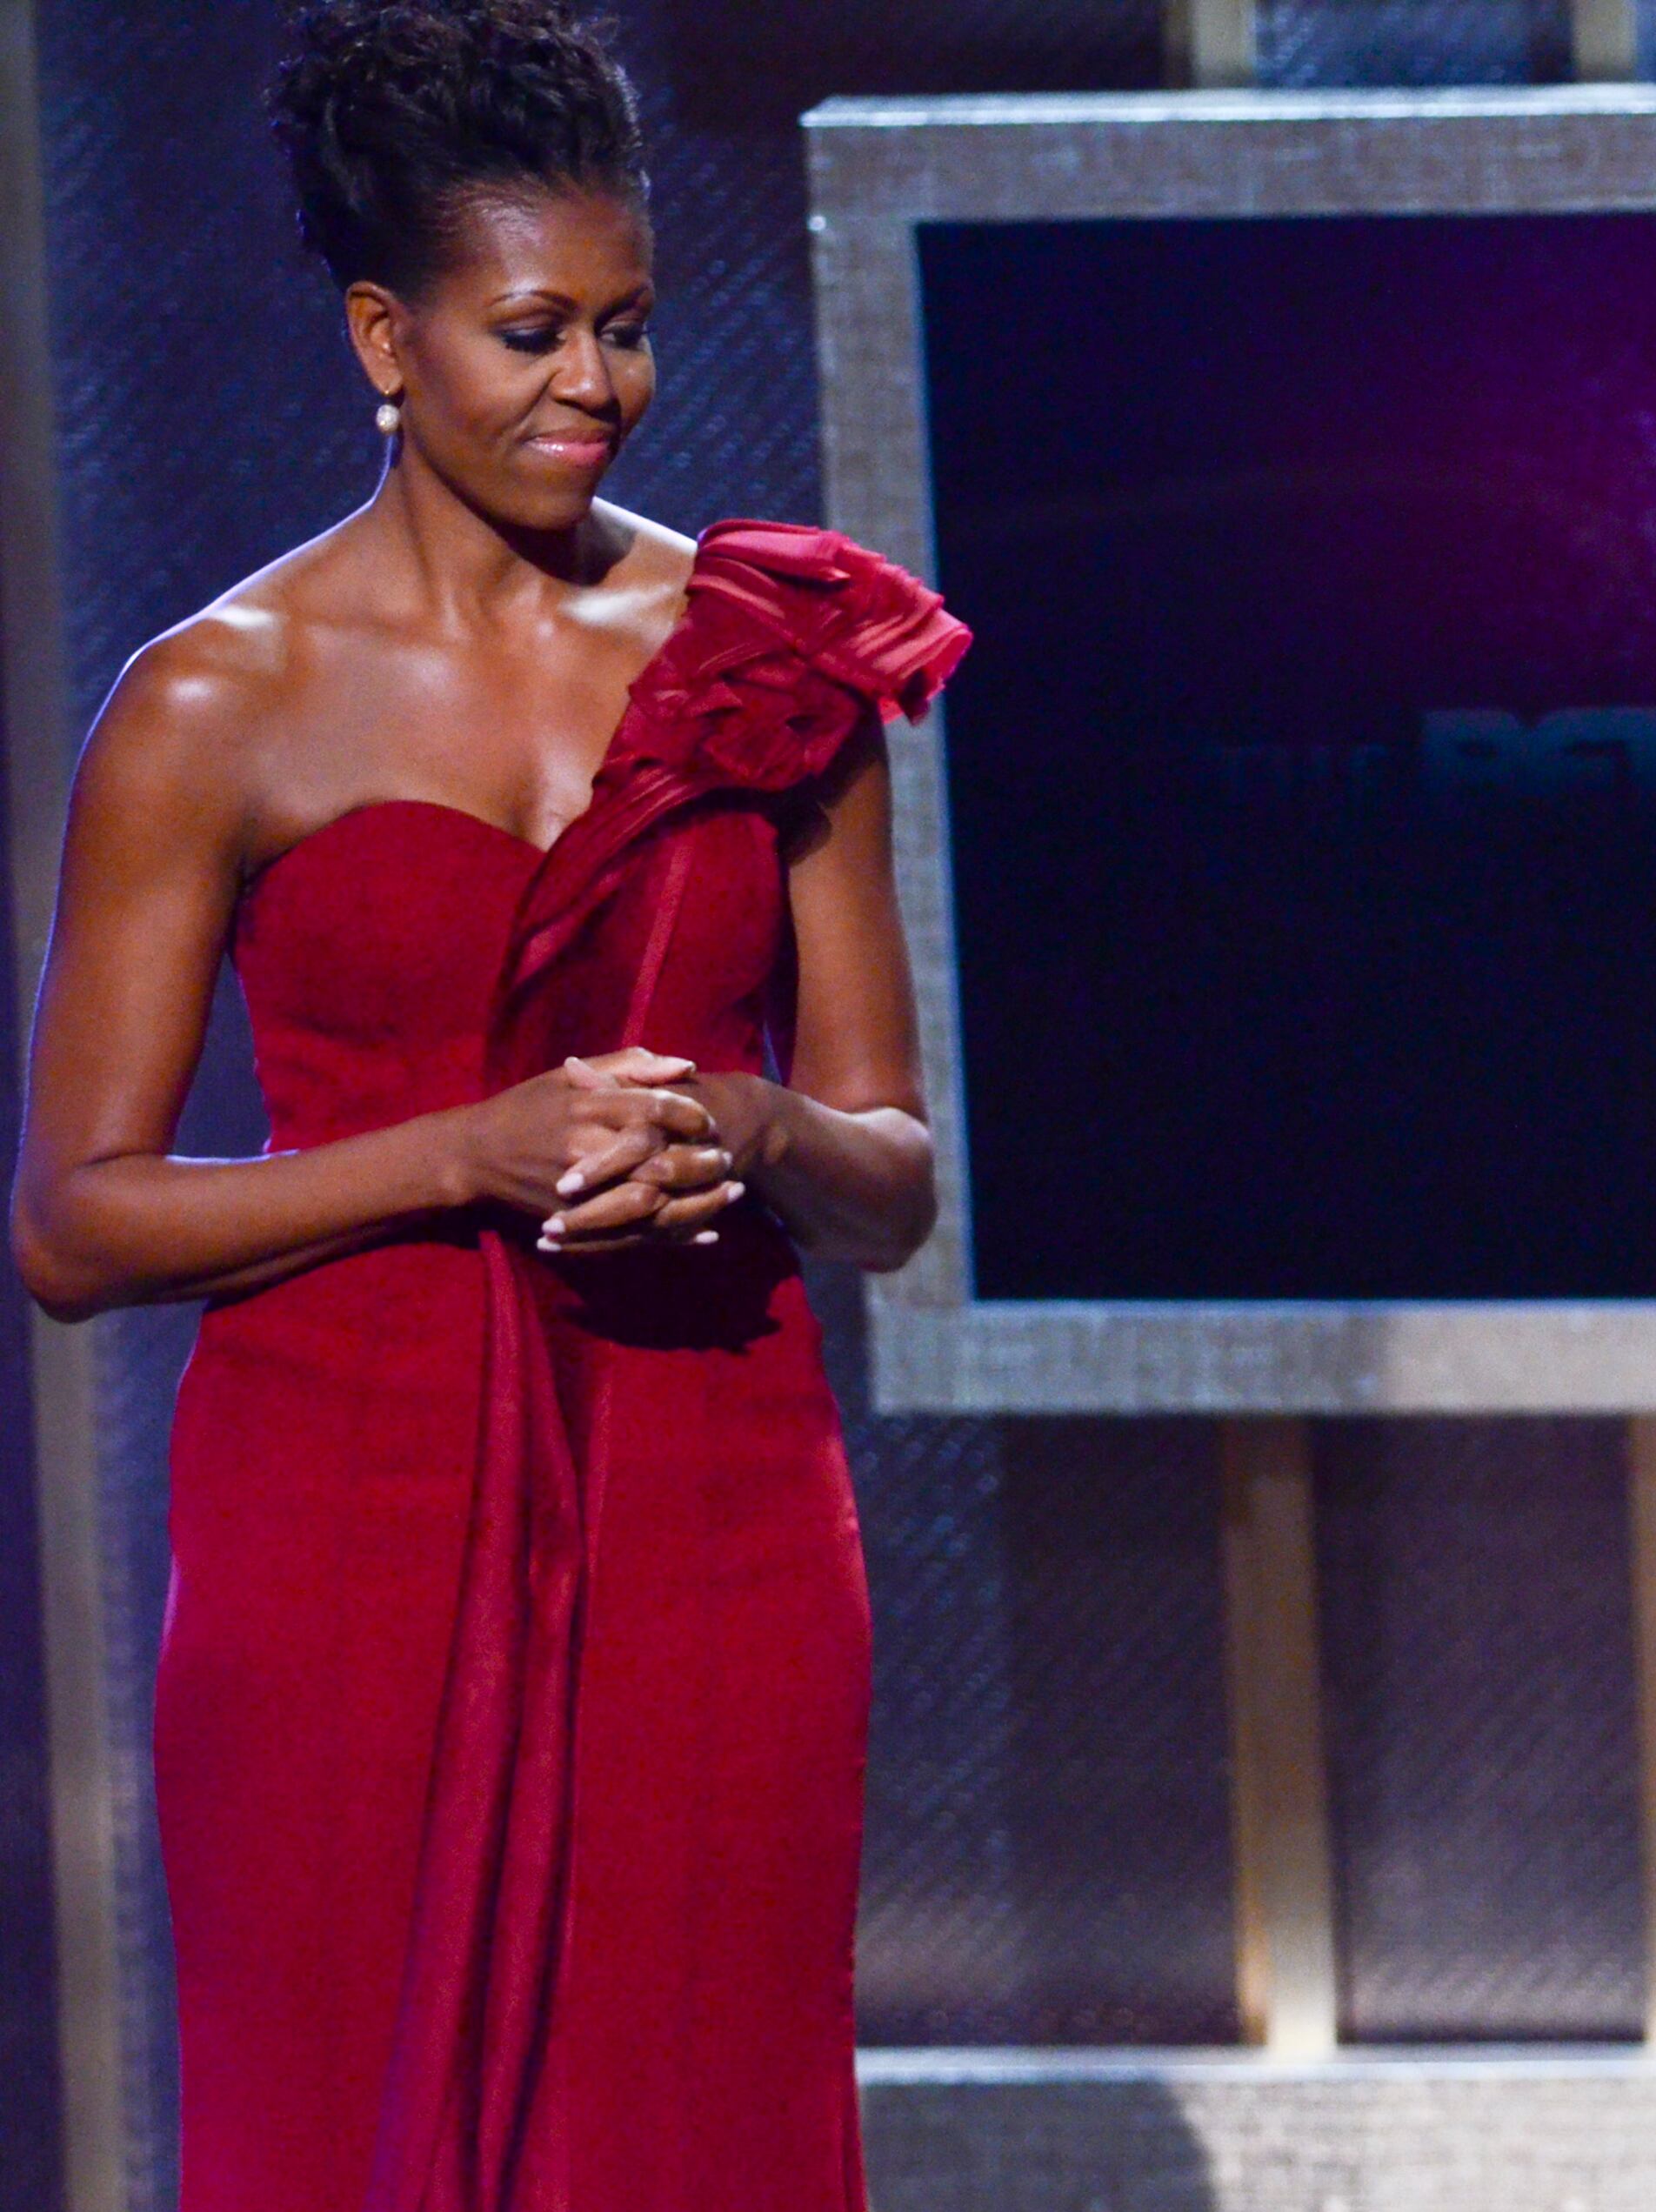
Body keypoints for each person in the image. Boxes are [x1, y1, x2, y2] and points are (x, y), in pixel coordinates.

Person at [10, 4, 965, 2204]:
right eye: (531, 330)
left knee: (695, 2124)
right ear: (383, 332)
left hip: (711, 1509)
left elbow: (893, 1171)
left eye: (626, 327)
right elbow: (74, 1225)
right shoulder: (214, 702)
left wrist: (747, 1126)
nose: (596, 386)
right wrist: (465, 1149)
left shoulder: (760, 655)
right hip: (342, 1530)